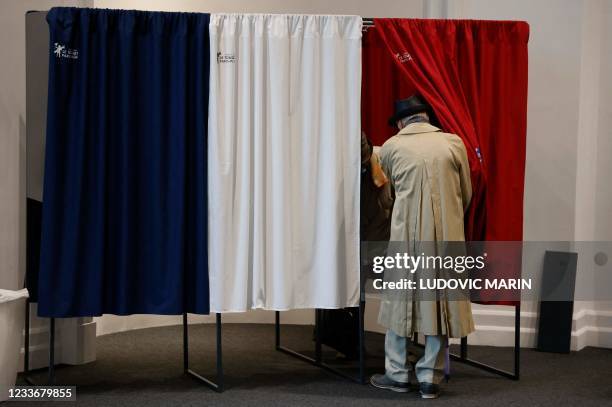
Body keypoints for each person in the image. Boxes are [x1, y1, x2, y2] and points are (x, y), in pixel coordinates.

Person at [369, 95, 475, 399]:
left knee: (399, 304)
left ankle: (397, 374)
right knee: (439, 305)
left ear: (401, 123)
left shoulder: (391, 147)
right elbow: (465, 193)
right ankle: (430, 377)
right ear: (427, 118)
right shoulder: (454, 143)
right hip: (446, 239)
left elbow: (386, 196)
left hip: (407, 238)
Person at [317, 132, 393, 359]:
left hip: (378, 242)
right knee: (351, 296)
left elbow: (387, 207)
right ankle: (350, 344)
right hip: (354, 241)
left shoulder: (384, 163)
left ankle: (366, 347)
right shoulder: (339, 169)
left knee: (365, 293)